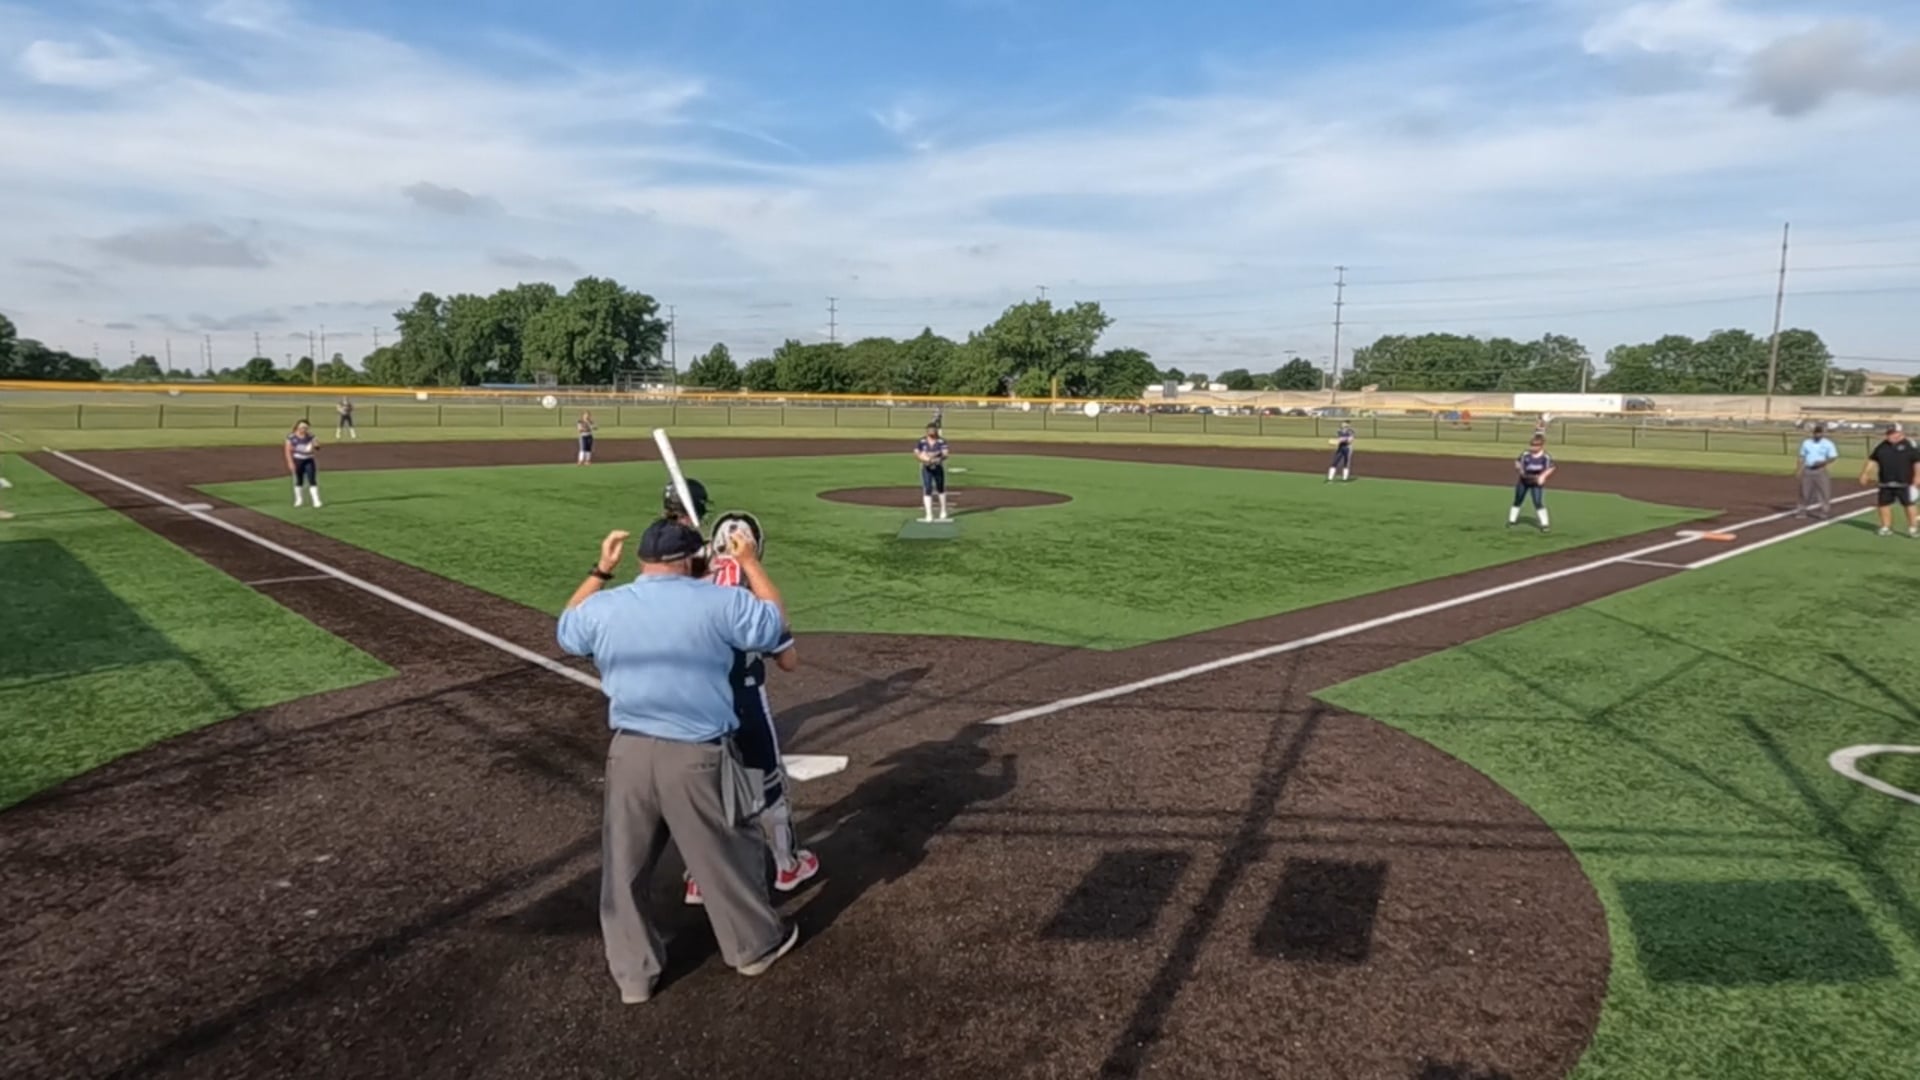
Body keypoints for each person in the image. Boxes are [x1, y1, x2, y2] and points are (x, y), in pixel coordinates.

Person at [557, 518, 801, 1004]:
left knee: (624, 869)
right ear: (692, 559)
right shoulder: (721, 601)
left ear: (641, 559)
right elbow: (775, 625)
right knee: (727, 852)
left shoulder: (605, 606)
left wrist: (600, 571)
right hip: (695, 755)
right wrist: (750, 563)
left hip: (628, 754)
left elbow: (567, 631)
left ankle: (634, 976)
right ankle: (753, 947)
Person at [659, 481, 821, 906]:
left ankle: (699, 877)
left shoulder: (688, 589)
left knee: (705, 790)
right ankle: (786, 864)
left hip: (694, 703)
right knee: (767, 785)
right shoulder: (750, 597)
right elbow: (788, 660)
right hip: (745, 701)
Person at [1859, 423, 1920, 538]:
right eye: (1889, 433)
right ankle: (1886, 527)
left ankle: (1913, 528)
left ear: (1900, 433)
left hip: (1904, 482)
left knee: (1909, 504)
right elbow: (1872, 459)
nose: (1890, 436)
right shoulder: (1882, 446)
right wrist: (1865, 473)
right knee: (1883, 504)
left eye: (1893, 433)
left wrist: (1917, 476)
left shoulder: (1909, 445)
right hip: (1885, 482)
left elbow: (1917, 462)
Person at [1508, 435, 1553, 532]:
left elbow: (1551, 468)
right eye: (1532, 445)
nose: (1533, 447)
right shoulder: (1526, 454)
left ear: (1541, 446)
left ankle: (1545, 524)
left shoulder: (1545, 457)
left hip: (1536, 482)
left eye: (1536, 445)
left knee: (1538, 502)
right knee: (1518, 500)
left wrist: (1543, 476)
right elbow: (1517, 462)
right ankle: (1512, 521)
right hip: (1524, 480)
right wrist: (1520, 469)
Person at [1795, 423, 1839, 519]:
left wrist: (1823, 462)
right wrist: (1798, 470)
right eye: (1816, 433)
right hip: (1808, 470)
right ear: (1813, 433)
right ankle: (1802, 511)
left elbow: (1833, 457)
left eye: (1820, 433)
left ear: (1823, 433)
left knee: (1824, 492)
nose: (1818, 435)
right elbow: (1801, 456)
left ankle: (1824, 512)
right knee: (1804, 492)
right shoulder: (1806, 443)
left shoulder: (1828, 444)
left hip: (1820, 470)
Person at [915, 423, 949, 522]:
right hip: (926, 468)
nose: (931, 432)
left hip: (937, 467)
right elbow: (916, 453)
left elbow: (945, 454)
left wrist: (938, 458)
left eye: (933, 430)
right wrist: (924, 459)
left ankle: (943, 510)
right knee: (927, 488)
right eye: (930, 430)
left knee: (940, 488)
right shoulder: (922, 441)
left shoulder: (941, 441)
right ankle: (929, 514)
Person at [285, 419, 321, 508]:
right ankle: (299, 500)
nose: (303, 429)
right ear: (297, 427)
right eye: (302, 427)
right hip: (298, 460)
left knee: (312, 479)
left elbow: (317, 447)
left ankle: (316, 500)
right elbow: (287, 450)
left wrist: (315, 445)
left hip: (308, 460)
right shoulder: (291, 437)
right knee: (299, 480)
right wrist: (290, 462)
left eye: (305, 427)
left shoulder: (311, 436)